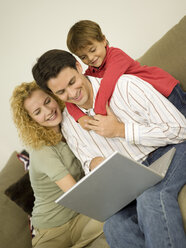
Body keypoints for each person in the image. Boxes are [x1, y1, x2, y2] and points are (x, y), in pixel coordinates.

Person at [32, 49, 186, 248]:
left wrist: (121, 130)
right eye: (61, 92)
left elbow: (181, 129)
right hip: (131, 179)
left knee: (152, 198)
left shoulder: (125, 86)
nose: (71, 94)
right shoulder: (70, 125)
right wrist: (93, 165)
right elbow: (87, 162)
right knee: (113, 225)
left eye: (72, 82)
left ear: (79, 67)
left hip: (172, 151)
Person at [10, 81, 109, 248]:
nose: (48, 111)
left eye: (47, 101)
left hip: (80, 218)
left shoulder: (70, 126)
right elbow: (77, 194)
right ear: (31, 120)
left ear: (54, 96)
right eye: (37, 111)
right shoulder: (42, 150)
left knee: (116, 217)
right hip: (52, 231)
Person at [66, 20, 186, 129]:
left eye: (92, 50)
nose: (91, 58)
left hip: (163, 89)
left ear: (103, 40)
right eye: (83, 57)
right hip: (147, 103)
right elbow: (67, 96)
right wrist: (80, 117)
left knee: (182, 122)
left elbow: (107, 83)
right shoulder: (91, 72)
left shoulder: (116, 56)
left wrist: (99, 113)